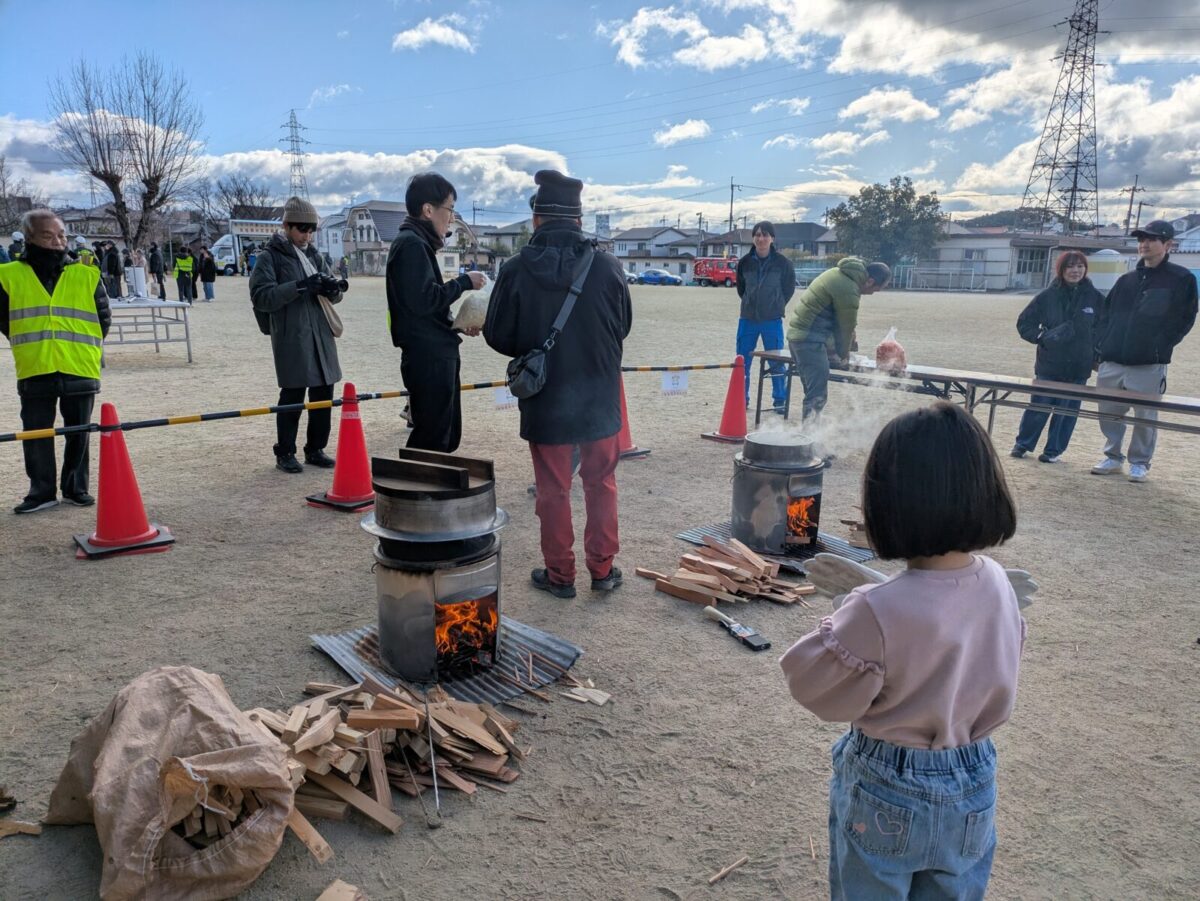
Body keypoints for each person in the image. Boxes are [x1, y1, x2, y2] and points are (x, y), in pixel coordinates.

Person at [780, 401, 1024, 899]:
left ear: (888, 505)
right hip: (974, 777)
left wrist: (847, 608)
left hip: (887, 783)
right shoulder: (999, 582)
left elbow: (811, 686)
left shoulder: (876, 607)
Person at [484, 169, 632, 599]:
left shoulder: (515, 269)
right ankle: (602, 570)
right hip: (599, 394)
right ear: (580, 220)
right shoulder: (608, 266)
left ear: (536, 218)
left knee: (553, 489)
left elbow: (497, 335)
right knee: (601, 483)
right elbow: (622, 325)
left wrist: (532, 344)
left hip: (545, 394)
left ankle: (560, 576)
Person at [0, 209, 111, 513]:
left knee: (79, 431)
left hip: (80, 363)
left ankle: (76, 488)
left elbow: (103, 318)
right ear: (30, 238)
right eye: (48, 236)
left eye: (61, 234)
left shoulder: (87, 273)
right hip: (35, 364)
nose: (58, 241)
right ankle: (41, 491)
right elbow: (4, 319)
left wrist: (84, 345)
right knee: (36, 432)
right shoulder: (8, 275)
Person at [385, 172, 485, 453]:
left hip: (433, 351)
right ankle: (415, 482)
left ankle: (427, 480)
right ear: (428, 210)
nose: (451, 218)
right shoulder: (411, 244)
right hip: (428, 356)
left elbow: (423, 308)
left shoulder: (415, 243)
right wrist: (464, 282)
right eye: (450, 209)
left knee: (444, 434)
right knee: (432, 438)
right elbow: (425, 300)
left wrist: (457, 323)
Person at [1091, 220, 1198, 482]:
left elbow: (1184, 318)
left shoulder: (1180, 279)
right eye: (1141, 239)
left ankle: (1139, 462)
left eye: (1151, 239)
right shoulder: (1126, 280)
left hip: (1148, 362)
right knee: (1108, 411)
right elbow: (1106, 315)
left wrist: (1161, 345)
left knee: (1145, 415)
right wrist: (1103, 345)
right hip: (1112, 360)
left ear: (1168, 244)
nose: (1144, 244)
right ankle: (1112, 456)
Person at [250, 196, 343, 474]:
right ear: (287, 226)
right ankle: (285, 452)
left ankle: (316, 448)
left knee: (324, 393)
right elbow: (261, 296)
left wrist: (332, 290)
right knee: (292, 395)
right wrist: (300, 286)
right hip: (292, 335)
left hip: (321, 334)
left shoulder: (314, 255)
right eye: (302, 229)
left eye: (311, 229)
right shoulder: (270, 257)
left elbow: (333, 295)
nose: (307, 235)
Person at [1011, 250, 1102, 463]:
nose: (1075, 270)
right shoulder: (1046, 296)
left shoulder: (1095, 298)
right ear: (1061, 269)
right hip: (1049, 364)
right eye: (1070, 266)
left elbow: (1105, 328)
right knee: (1038, 407)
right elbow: (1024, 323)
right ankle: (1023, 444)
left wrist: (1097, 353)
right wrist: (1042, 337)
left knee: (1066, 412)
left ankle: (1053, 451)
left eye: (1079, 266)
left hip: (1079, 366)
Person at [786, 257, 891, 421]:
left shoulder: (840, 274)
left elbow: (836, 320)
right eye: (876, 290)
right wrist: (844, 356)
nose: (872, 294)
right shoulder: (849, 288)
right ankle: (809, 435)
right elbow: (845, 328)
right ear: (870, 281)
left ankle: (809, 431)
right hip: (809, 340)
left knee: (812, 391)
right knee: (817, 395)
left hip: (798, 337)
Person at [734, 221, 796, 412]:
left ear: (772, 238)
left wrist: (776, 304)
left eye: (765, 235)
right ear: (753, 238)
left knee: (777, 362)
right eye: (757, 235)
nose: (761, 239)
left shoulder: (783, 263)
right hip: (748, 319)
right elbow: (741, 289)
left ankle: (780, 401)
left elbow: (788, 288)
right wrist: (750, 303)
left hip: (772, 320)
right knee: (742, 361)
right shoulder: (744, 263)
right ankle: (741, 400)